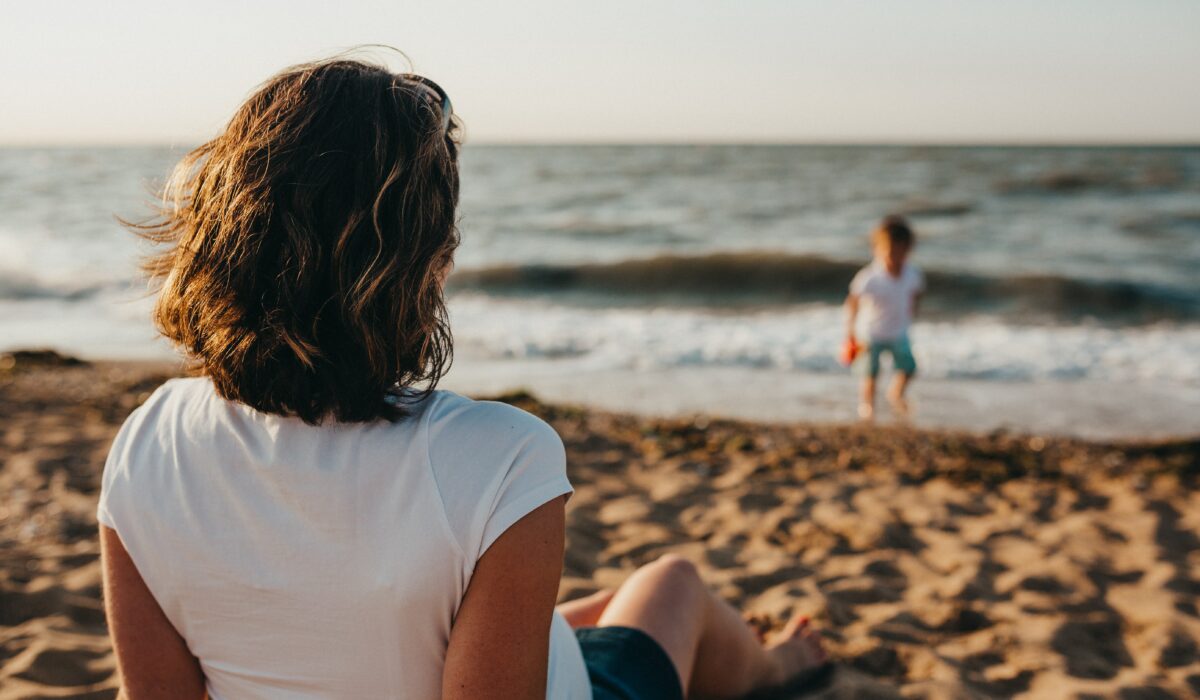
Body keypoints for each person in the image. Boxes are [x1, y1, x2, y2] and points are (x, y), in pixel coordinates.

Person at [98, 55, 827, 699]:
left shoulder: (146, 443)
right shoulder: (502, 458)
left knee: (590, 610)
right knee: (674, 585)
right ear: (429, 265)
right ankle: (781, 668)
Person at [844, 216, 924, 420]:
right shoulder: (870, 276)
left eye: (900, 252)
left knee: (909, 368)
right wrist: (850, 332)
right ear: (876, 250)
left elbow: (915, 294)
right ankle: (867, 407)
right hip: (871, 332)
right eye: (889, 252)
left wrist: (911, 313)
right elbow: (852, 301)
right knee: (870, 373)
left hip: (898, 331)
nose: (894, 257)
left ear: (908, 250)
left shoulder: (912, 274)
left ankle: (895, 393)